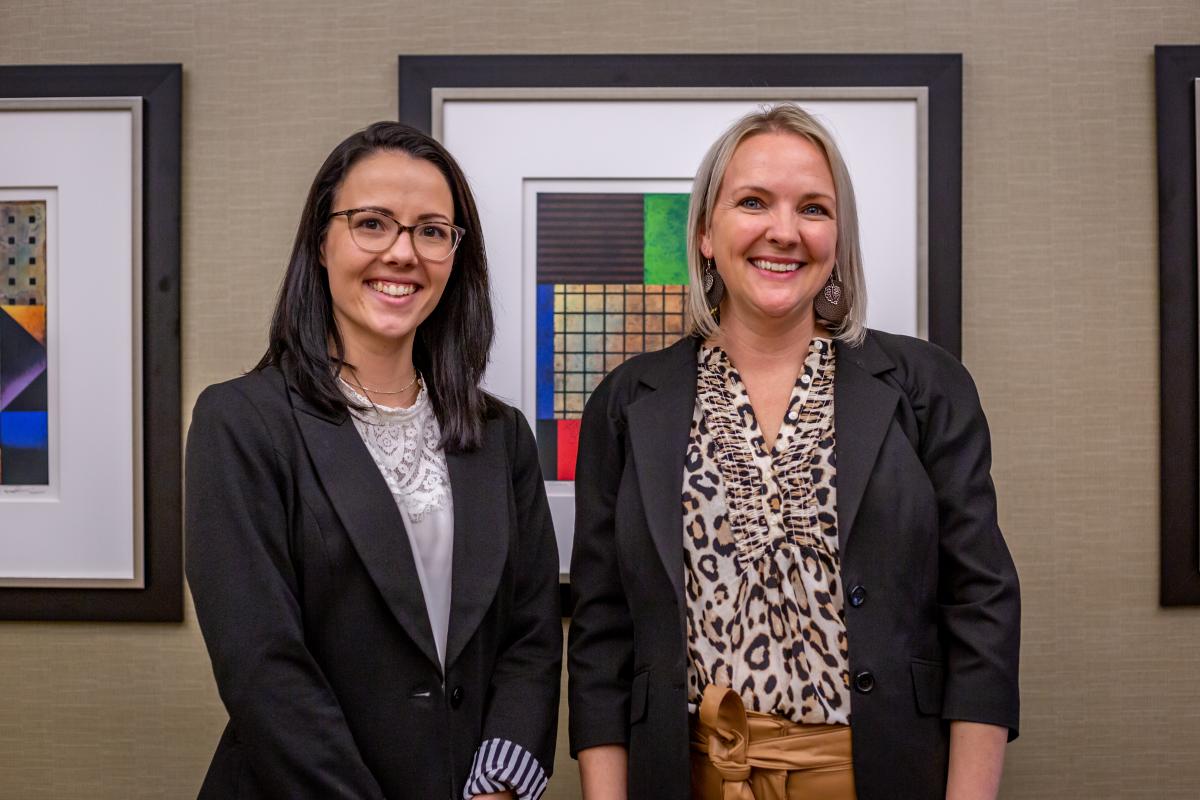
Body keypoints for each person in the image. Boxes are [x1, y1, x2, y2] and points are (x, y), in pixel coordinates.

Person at [568, 104, 1020, 800]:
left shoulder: (925, 388)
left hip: (883, 775)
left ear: (838, 241)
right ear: (706, 235)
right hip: (692, 775)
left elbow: (983, 606)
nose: (784, 231)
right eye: (753, 202)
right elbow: (601, 629)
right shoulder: (628, 403)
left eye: (813, 208)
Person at [186, 122, 561, 800]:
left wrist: (501, 786)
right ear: (321, 242)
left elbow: (532, 636)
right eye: (372, 224)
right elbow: (262, 667)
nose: (403, 253)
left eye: (431, 230)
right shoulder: (241, 423)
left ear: (455, 254)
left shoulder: (501, 436)